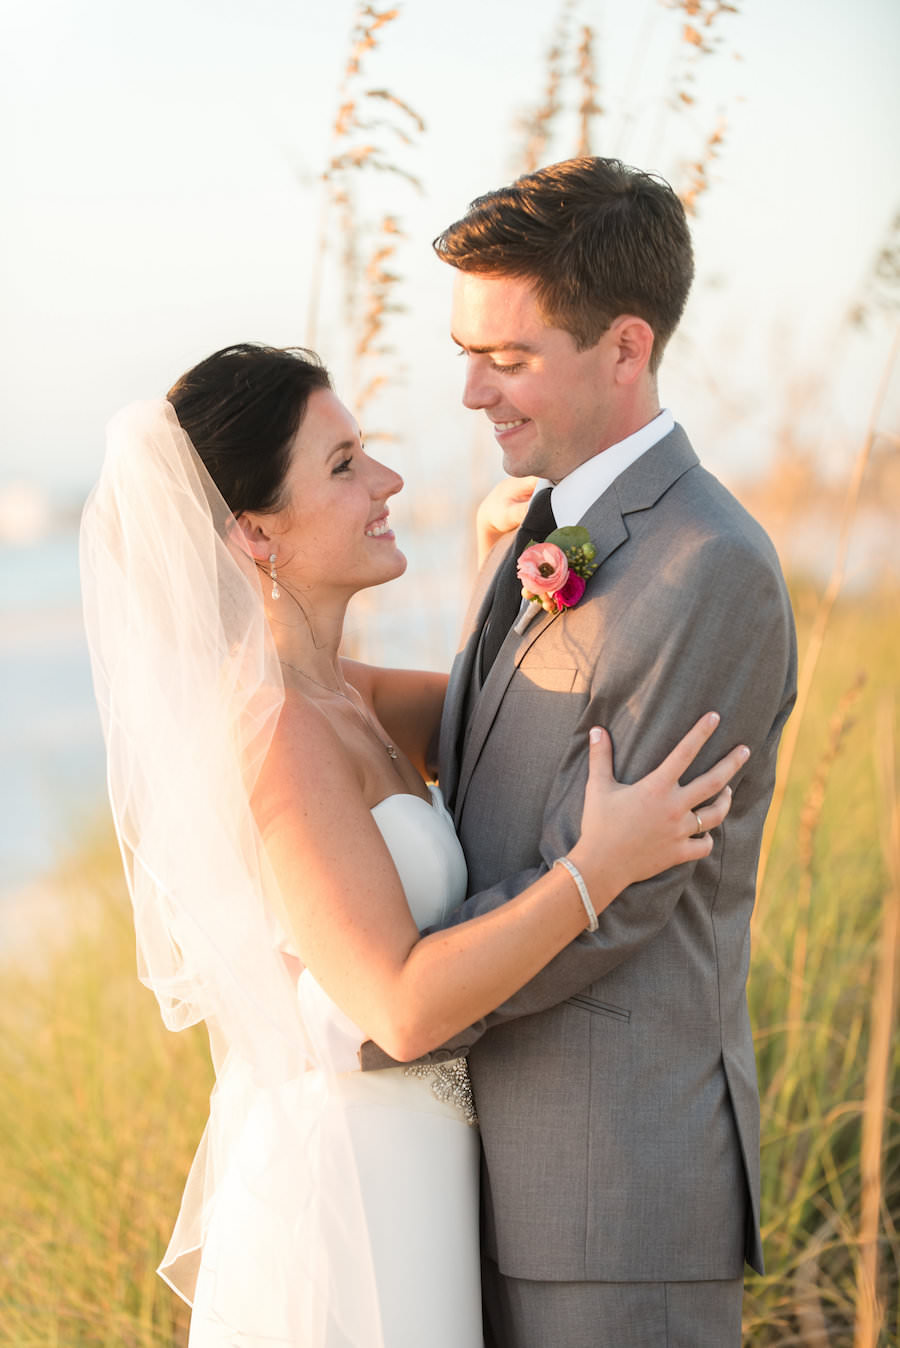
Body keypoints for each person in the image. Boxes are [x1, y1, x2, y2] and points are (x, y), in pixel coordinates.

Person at [80, 343, 747, 1347]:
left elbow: (499, 724)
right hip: (348, 1200)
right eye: (344, 466)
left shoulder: (341, 694)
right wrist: (594, 870)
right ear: (257, 536)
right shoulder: (277, 737)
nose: (387, 480)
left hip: (413, 1175)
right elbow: (396, 1001)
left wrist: (510, 576)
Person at [361, 157, 798, 1347]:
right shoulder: (545, 524)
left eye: (507, 359)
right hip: (477, 1180)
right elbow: (483, 758)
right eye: (464, 352)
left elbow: (619, 897)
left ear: (625, 347)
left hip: (615, 1199)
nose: (469, 393)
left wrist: (373, 1009)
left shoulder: (709, 568)